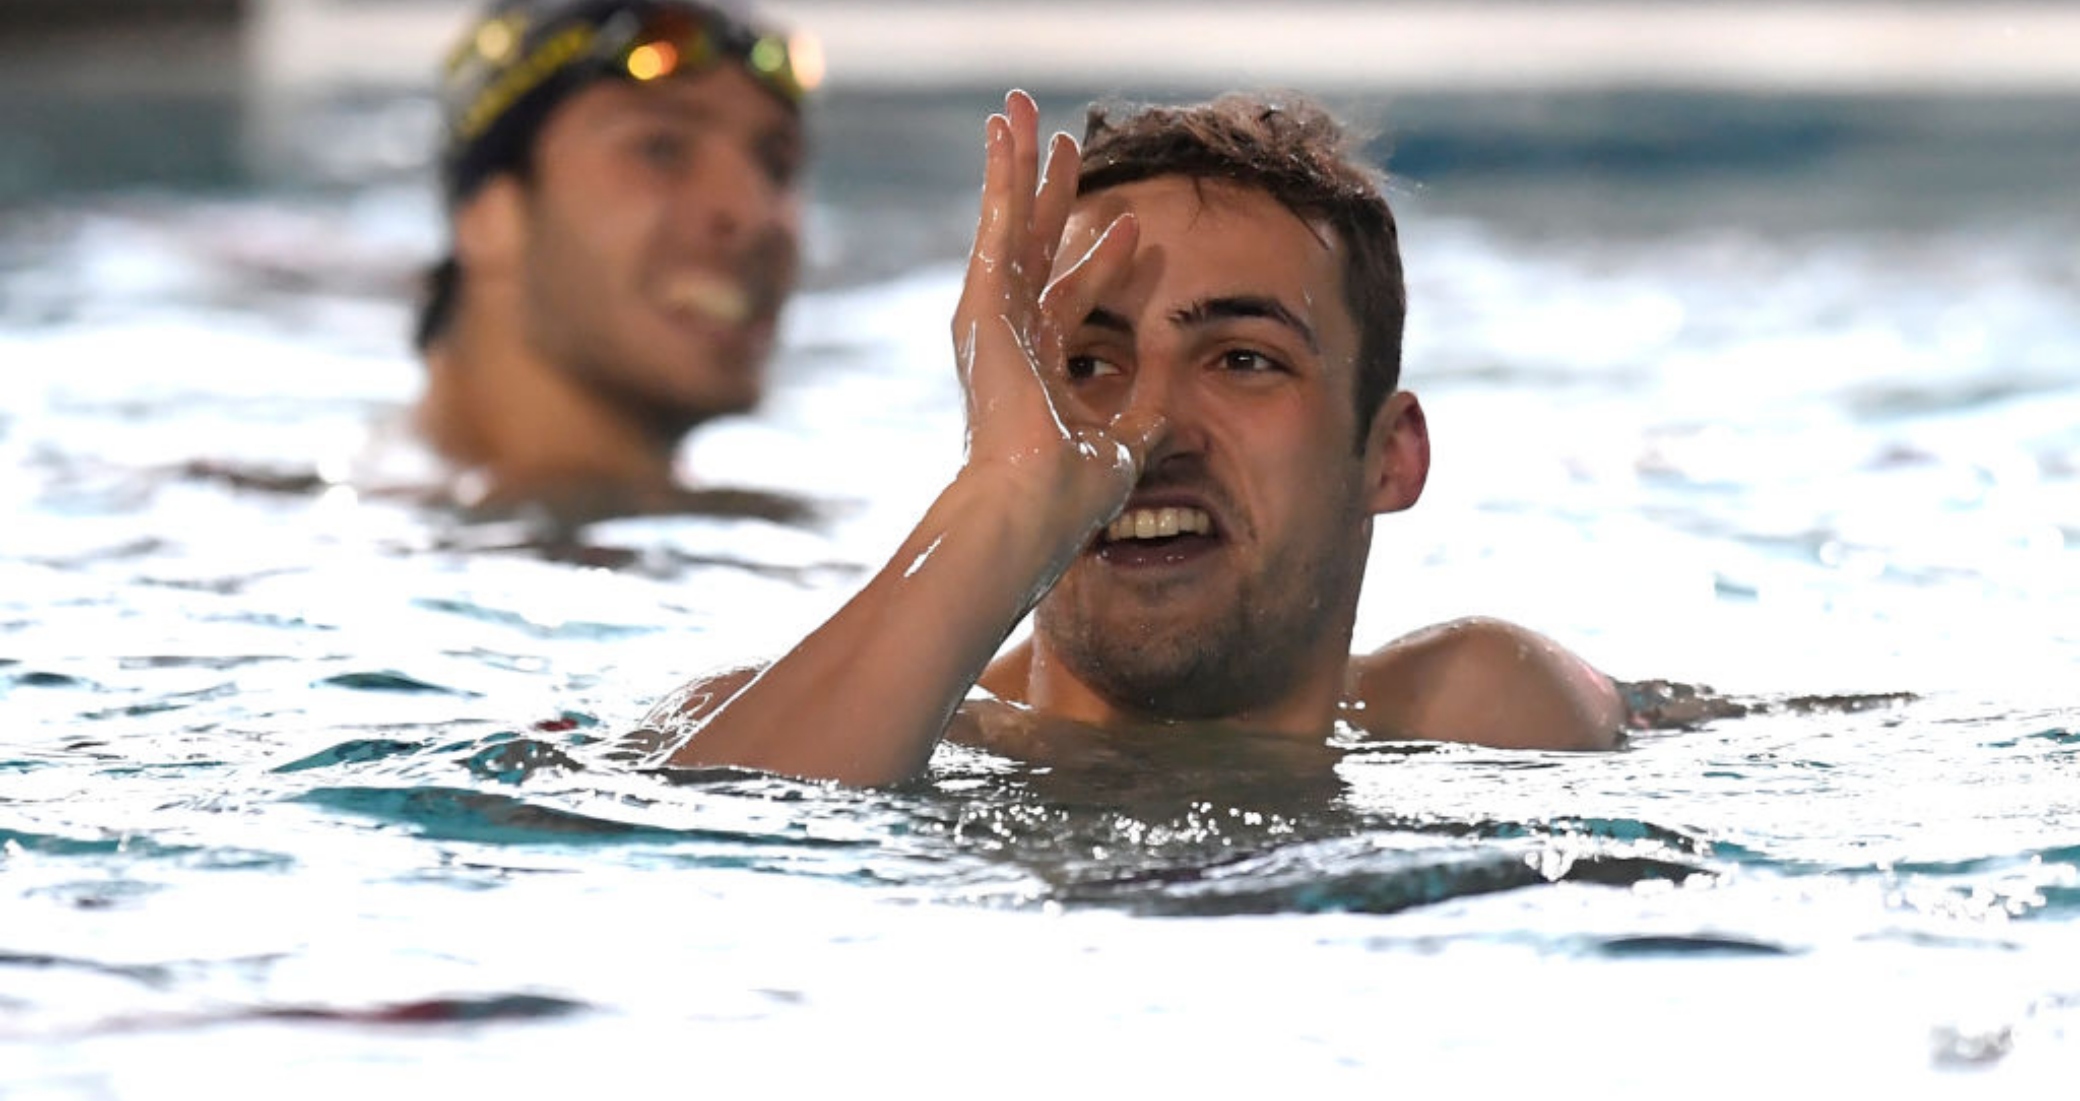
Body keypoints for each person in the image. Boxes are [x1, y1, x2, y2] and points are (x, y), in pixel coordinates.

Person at [630, 90, 1625, 786]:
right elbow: (697, 902)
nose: (1148, 431)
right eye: (1086, 363)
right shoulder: (757, 732)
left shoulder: (1492, 716)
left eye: (1242, 359)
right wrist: (1008, 500)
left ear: (1389, 456)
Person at [400, 0, 822, 523]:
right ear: (492, 218)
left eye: (777, 165)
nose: (753, 212)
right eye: (661, 149)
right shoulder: (351, 534)